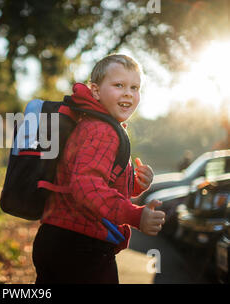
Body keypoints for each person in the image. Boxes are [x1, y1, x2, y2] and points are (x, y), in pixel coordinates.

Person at [32, 54, 165, 284]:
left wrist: (136, 183)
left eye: (135, 87)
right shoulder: (101, 130)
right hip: (80, 247)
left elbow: (100, 180)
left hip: (60, 240)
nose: (128, 93)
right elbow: (86, 186)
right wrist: (134, 214)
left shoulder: (95, 125)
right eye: (118, 85)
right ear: (95, 91)